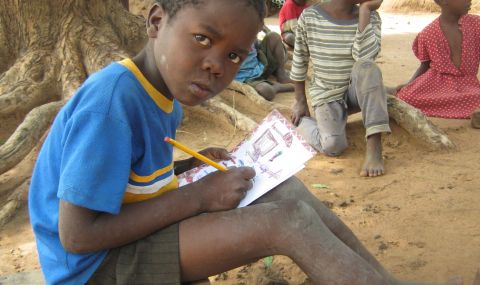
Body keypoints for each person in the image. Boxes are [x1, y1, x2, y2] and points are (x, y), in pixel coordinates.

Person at [28, 1, 468, 285]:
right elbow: (78, 236)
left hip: (124, 238)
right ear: (156, 21)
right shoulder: (113, 103)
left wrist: (187, 171)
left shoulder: (163, 89)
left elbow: (128, 175)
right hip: (95, 269)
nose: (216, 66)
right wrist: (199, 196)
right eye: (203, 39)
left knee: (285, 192)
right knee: (283, 222)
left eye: (235, 55)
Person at [290, 0, 391, 177]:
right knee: (333, 146)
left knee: (369, 69)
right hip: (327, 95)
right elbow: (300, 59)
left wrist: (365, 11)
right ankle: (304, 125)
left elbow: (365, 58)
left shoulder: (371, 16)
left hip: (355, 92)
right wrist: (300, 101)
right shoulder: (310, 17)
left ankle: (374, 146)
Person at [388, 0, 480, 129]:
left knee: (475, 96)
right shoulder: (428, 32)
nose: (469, 0)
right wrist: (410, 84)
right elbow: (425, 66)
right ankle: (394, 90)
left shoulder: (476, 24)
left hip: (469, 86)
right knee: (406, 97)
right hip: (437, 84)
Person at [235, 29, 294, 101]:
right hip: (247, 78)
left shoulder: (248, 28)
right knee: (266, 91)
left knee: (274, 36)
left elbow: (256, 46)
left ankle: (281, 74)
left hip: (261, 64)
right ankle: (277, 87)